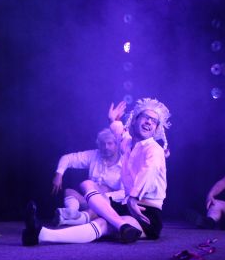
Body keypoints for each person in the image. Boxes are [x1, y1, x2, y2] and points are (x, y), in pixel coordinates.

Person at [23, 97, 171, 245]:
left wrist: (133, 198)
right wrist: (113, 120)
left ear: (156, 128)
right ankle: (39, 235)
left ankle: (42, 234)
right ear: (134, 120)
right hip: (127, 207)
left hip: (146, 214)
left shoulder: (154, 150)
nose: (149, 122)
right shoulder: (128, 144)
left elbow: (149, 171)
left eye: (154, 121)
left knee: (103, 224)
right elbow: (120, 133)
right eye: (145, 117)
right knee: (87, 184)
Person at [51, 127, 123, 226]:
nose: (106, 147)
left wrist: (105, 196)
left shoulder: (125, 164)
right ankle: (71, 212)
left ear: (117, 144)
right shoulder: (94, 155)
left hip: (109, 205)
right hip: (89, 200)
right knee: (69, 192)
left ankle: (68, 219)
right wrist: (59, 174)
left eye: (110, 143)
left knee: (97, 206)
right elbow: (68, 158)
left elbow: (125, 193)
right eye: (103, 144)